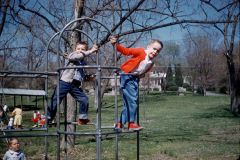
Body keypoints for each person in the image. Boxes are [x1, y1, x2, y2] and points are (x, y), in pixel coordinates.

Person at [110, 36, 163, 131]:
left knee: (128, 103)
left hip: (134, 79)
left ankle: (119, 124)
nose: (155, 52)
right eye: (154, 49)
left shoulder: (151, 62)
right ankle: (131, 124)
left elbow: (144, 71)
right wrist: (115, 45)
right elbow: (126, 51)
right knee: (132, 101)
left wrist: (141, 76)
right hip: (127, 76)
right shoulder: (141, 51)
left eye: (158, 51)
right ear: (148, 47)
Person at [47, 41, 98, 124]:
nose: (80, 50)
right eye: (78, 49)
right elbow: (76, 57)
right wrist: (91, 51)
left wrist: (89, 77)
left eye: (83, 49)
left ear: (85, 50)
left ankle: (82, 118)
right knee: (56, 99)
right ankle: (48, 117)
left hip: (75, 85)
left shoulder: (83, 62)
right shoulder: (72, 55)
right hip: (65, 82)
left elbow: (81, 75)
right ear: (75, 50)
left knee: (84, 99)